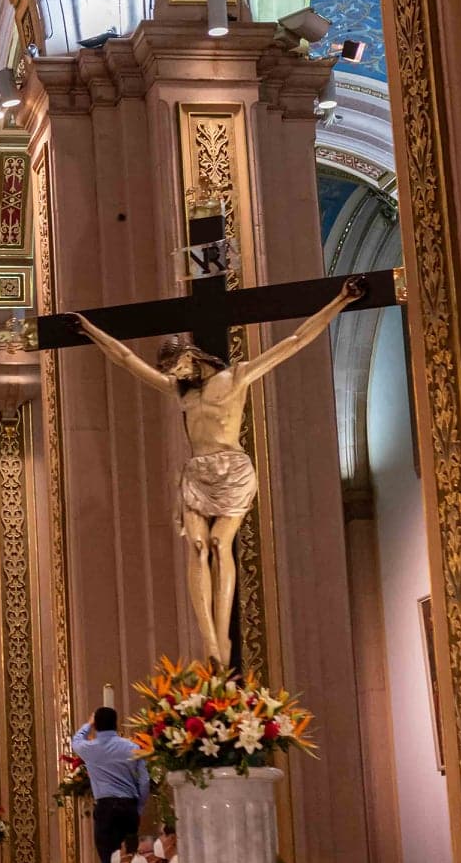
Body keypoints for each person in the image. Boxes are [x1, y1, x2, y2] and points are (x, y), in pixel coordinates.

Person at [71, 277, 362, 664]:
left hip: (233, 471)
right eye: (171, 371)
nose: (174, 375)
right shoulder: (182, 393)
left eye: (176, 367)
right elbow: (127, 361)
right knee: (196, 546)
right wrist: (91, 330)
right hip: (197, 474)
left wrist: (340, 300)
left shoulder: (236, 378)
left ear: (191, 357)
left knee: (220, 545)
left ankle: (222, 643)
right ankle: (208, 641)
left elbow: (295, 341)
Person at [73, 706, 150, 863]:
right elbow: (144, 781)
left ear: (97, 725)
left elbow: (76, 741)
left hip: (106, 807)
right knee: (131, 855)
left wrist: (88, 724)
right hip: (128, 805)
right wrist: (138, 807)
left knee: (108, 857)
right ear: (116, 724)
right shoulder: (132, 747)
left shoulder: (89, 748)